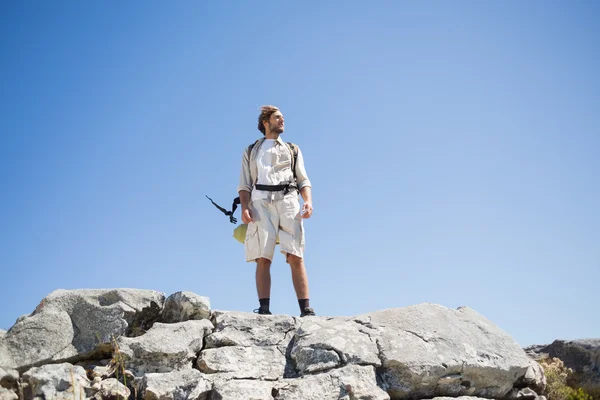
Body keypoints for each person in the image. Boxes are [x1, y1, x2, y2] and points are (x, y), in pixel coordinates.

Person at [237, 105, 315, 317]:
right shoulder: (251, 150)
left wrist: (307, 200)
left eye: (282, 118)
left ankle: (306, 309)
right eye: (277, 117)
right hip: (260, 202)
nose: (282, 121)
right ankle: (264, 309)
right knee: (263, 257)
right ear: (265, 122)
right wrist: (244, 207)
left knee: (295, 255)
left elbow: (303, 179)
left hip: (289, 200)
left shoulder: (292, 149)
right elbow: (244, 185)